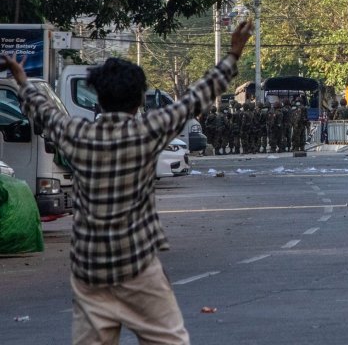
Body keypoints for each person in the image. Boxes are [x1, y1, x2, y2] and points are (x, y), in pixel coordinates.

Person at [0, 20, 254, 345]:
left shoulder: (76, 134)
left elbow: (44, 111)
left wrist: (21, 79)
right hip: (137, 266)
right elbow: (195, 98)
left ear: (99, 100)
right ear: (138, 101)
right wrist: (232, 54)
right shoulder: (146, 131)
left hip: (90, 271)